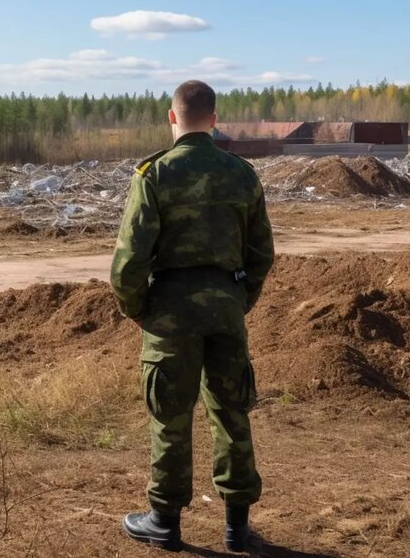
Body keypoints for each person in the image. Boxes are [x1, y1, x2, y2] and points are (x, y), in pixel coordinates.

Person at [111, 80, 275, 552]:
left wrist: (140, 309)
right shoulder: (241, 174)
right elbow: (262, 252)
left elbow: (127, 264)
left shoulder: (154, 175)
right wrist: (238, 298)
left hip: (170, 311)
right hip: (225, 304)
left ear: (172, 117)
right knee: (231, 410)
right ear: (214, 118)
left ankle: (163, 521)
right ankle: (237, 527)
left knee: (170, 413)